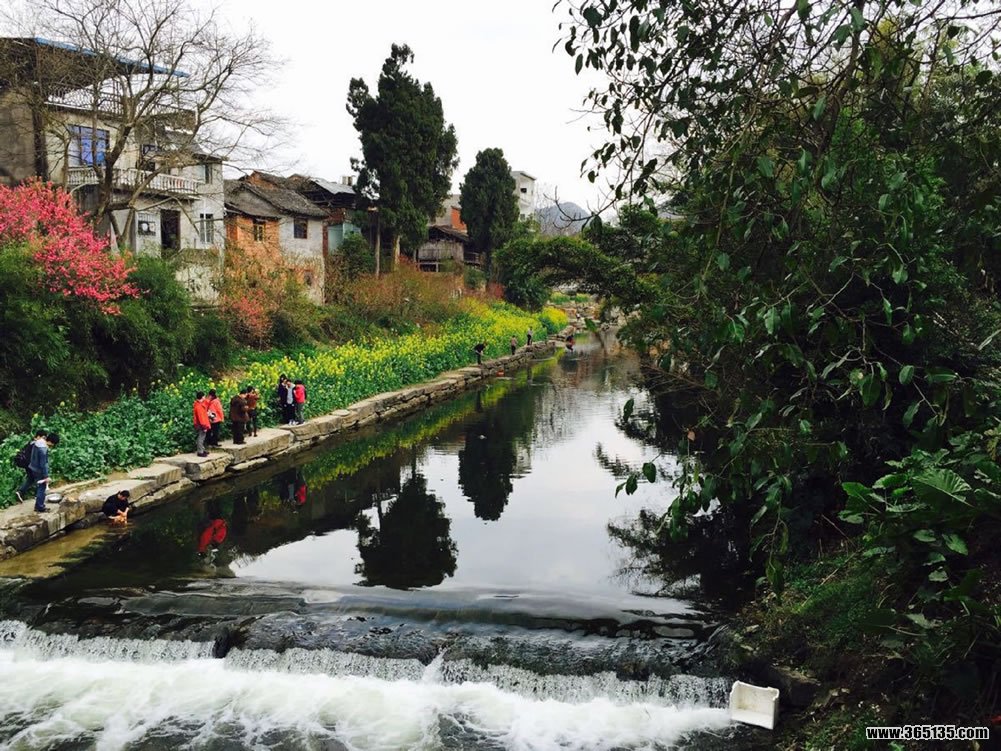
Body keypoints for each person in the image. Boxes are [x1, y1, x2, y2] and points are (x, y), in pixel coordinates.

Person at [26, 432, 59, 513]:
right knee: (42, 488)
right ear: (51, 442)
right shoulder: (43, 450)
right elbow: (43, 465)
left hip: (32, 467)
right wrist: (46, 476)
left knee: (37, 486)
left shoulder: (37, 442)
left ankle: (38, 505)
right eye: (53, 444)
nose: (52, 446)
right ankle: (40, 507)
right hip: (39, 471)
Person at [14, 429, 47, 504]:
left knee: (31, 478)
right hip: (31, 464)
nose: (44, 440)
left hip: (26, 464)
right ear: (38, 436)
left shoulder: (30, 442)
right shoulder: (36, 444)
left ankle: (20, 492)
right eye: (43, 438)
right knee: (39, 479)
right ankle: (38, 495)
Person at [193, 391, 211, 457]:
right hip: (201, 424)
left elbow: (207, 402)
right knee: (201, 438)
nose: (205, 397)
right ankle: (200, 452)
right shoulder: (199, 406)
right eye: (204, 396)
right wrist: (204, 426)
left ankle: (202, 449)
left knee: (202, 437)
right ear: (202, 397)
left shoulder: (199, 404)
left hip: (201, 423)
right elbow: (201, 417)